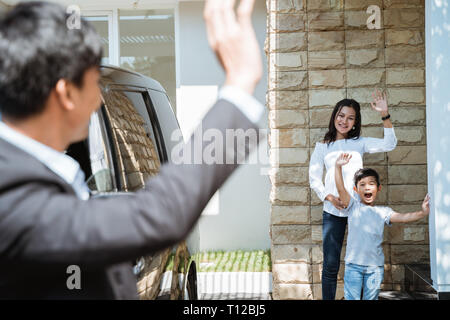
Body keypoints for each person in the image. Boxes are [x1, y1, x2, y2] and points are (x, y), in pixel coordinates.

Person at [0, 0, 263, 299]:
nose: (99, 99)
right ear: (67, 93)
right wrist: (239, 86)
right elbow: (156, 214)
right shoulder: (12, 193)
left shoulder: (27, 170)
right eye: (94, 84)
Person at [309, 92, 398, 300]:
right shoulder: (323, 146)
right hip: (333, 211)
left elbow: (390, 144)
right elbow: (314, 178)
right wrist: (328, 197)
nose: (344, 121)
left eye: (350, 117)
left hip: (358, 212)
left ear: (355, 122)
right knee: (331, 264)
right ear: (334, 117)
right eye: (341, 116)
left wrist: (384, 114)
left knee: (360, 261)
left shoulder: (360, 143)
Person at [334, 153, 430, 300]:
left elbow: (403, 218)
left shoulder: (383, 212)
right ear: (356, 189)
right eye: (362, 184)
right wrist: (337, 167)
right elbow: (340, 189)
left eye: (371, 183)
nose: (367, 187)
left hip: (374, 268)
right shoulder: (353, 206)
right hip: (353, 265)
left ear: (378, 188)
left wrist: (423, 213)